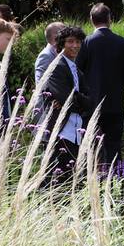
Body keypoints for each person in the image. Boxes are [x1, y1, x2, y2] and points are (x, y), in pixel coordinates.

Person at [76, 4, 124, 168]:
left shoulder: (86, 43)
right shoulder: (122, 43)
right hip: (115, 102)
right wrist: (117, 88)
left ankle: (92, 180)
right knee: (114, 147)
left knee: (90, 147)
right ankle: (116, 180)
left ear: (91, 20)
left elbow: (78, 71)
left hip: (91, 103)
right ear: (109, 19)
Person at [36, 25, 92, 183]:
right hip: (60, 132)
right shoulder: (57, 68)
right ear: (61, 44)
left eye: (78, 42)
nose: (75, 45)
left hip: (75, 133)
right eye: (70, 41)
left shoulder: (77, 70)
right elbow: (67, 99)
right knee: (58, 181)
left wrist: (76, 99)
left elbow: (90, 102)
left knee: (72, 179)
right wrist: (77, 100)